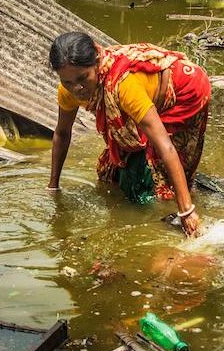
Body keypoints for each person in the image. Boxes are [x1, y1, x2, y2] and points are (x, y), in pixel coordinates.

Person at [46, 31, 212, 236]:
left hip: (186, 90)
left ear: (97, 63)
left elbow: (164, 145)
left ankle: (177, 199)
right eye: (67, 82)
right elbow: (62, 133)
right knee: (116, 173)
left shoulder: (123, 85)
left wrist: (187, 211)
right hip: (147, 94)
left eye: (83, 78)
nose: (77, 88)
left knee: (146, 174)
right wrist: (53, 187)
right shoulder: (69, 91)